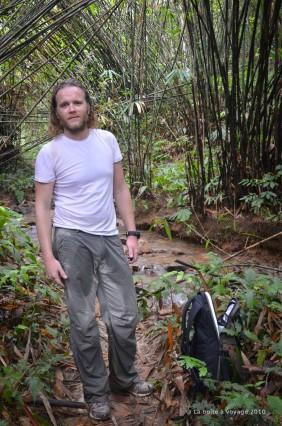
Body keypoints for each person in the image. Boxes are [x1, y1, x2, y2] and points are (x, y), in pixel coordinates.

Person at [34, 78, 153, 420]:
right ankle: (96, 392)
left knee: (124, 317)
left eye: (77, 102)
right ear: (57, 113)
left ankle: (124, 379)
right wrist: (48, 256)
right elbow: (42, 206)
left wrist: (132, 234)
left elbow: (120, 188)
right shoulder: (50, 152)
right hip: (71, 239)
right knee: (84, 322)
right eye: (64, 104)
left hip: (108, 236)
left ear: (88, 106)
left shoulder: (107, 140)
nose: (72, 108)